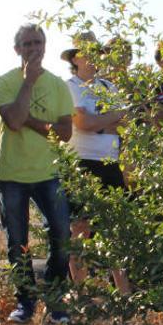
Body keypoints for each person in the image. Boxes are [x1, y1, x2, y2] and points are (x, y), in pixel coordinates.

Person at [0, 23, 74, 324]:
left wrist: (31, 120)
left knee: (62, 237)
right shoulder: (4, 82)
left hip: (48, 172)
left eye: (37, 42)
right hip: (12, 173)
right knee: (18, 241)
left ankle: (55, 300)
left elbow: (65, 133)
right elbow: (13, 121)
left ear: (45, 46)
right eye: (26, 44)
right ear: (17, 49)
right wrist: (27, 82)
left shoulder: (58, 85)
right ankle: (25, 303)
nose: (32, 48)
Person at [60, 32, 131, 295]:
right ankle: (82, 294)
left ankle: (125, 295)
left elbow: (124, 121)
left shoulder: (109, 87)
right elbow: (82, 123)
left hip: (111, 163)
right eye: (87, 53)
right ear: (75, 58)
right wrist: (106, 122)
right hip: (82, 164)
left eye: (96, 52)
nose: (94, 58)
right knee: (80, 228)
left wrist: (101, 123)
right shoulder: (70, 86)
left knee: (116, 230)